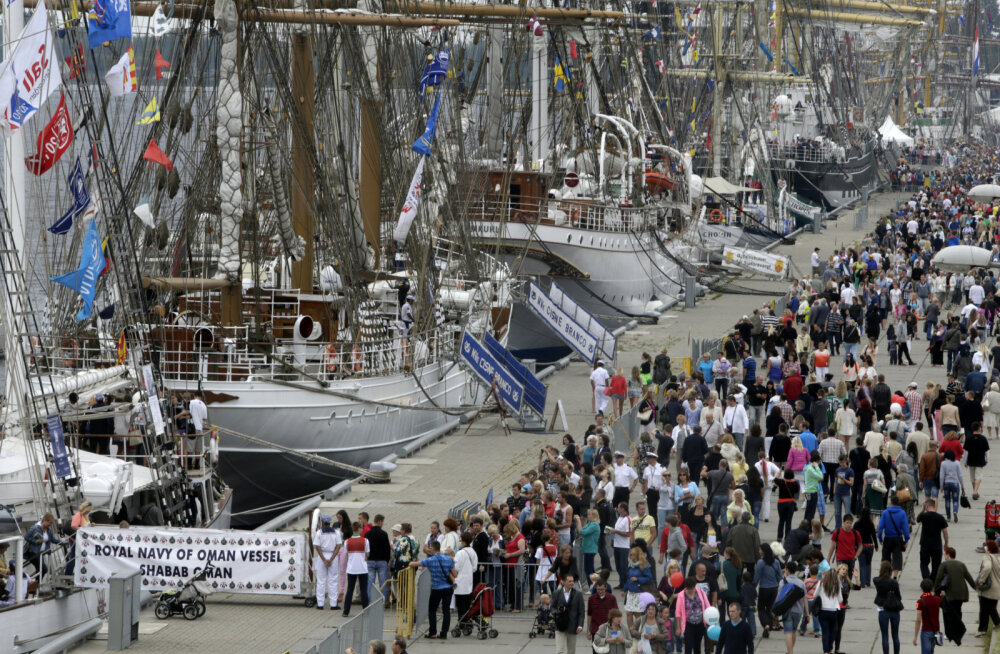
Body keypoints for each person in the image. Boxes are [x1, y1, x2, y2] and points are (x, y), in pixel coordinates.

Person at [409, 540, 455, 639]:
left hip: (436, 588)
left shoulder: (430, 560)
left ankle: (432, 632)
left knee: (432, 610)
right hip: (448, 587)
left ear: (433, 548)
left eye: (430, 547)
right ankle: (444, 634)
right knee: (446, 610)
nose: (429, 549)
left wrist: (410, 563)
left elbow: (415, 564)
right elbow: (455, 574)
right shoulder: (448, 559)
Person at [933, 546, 976, 645]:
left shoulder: (944, 565)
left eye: (945, 554)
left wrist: (936, 591)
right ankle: (957, 631)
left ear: (948, 555)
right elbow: (968, 577)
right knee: (957, 611)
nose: (944, 555)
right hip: (961, 593)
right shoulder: (961, 564)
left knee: (947, 613)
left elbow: (938, 578)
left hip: (949, 594)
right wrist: (975, 587)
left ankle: (950, 633)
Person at [874, 560, 904, 654]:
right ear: (890, 570)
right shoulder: (894, 582)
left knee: (885, 635)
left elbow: (876, 578)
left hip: (883, 609)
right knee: (895, 635)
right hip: (894, 610)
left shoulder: (877, 581)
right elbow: (899, 596)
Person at [313, 514, 343, 610]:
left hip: (322, 556)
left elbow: (317, 547)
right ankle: (333, 604)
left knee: (321, 580)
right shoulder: (336, 533)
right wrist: (331, 559)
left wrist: (324, 559)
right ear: (329, 522)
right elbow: (338, 546)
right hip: (332, 555)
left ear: (322, 522)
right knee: (333, 580)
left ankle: (320, 604)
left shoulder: (319, 533)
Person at [551, 573, 585, 654]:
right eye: (569, 581)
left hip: (573, 625)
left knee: (571, 651)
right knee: (559, 651)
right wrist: (557, 611)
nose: (572, 583)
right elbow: (552, 608)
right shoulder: (556, 593)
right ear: (563, 582)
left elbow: (581, 611)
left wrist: (580, 625)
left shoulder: (578, 594)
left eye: (572, 581)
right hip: (560, 624)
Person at [675, 576, 710, 654]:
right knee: (688, 646)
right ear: (686, 587)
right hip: (688, 624)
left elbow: (707, 606)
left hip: (700, 623)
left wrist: (709, 620)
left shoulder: (701, 592)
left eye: (692, 588)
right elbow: (678, 613)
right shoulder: (681, 595)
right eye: (689, 588)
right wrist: (678, 627)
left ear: (695, 585)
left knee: (697, 646)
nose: (691, 590)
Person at [342, 521, 370, 617]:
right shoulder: (365, 541)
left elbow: (346, 554)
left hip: (351, 568)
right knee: (363, 590)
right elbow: (367, 554)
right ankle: (366, 610)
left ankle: (346, 611)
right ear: (359, 529)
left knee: (350, 589)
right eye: (361, 528)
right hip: (362, 568)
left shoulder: (347, 542)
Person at [917, 499, 949, 580]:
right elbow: (945, 532)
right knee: (936, 565)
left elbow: (917, 518)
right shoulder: (940, 517)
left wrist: (923, 510)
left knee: (923, 563)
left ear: (926, 506)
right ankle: (933, 580)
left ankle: (926, 578)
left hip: (925, 544)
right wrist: (946, 543)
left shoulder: (923, 516)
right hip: (936, 545)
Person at [23, 512, 61, 578]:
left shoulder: (48, 530)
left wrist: (62, 541)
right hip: (33, 552)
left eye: (52, 523)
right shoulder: (35, 528)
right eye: (50, 523)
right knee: (44, 569)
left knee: (40, 570)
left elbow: (52, 539)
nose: (51, 525)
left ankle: (31, 583)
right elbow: (26, 537)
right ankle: (30, 582)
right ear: (45, 521)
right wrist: (35, 541)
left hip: (41, 553)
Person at [365, 514, 392, 602]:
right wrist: (387, 560)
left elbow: (366, 547)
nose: (383, 524)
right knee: (382, 583)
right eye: (382, 522)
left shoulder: (368, 534)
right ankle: (382, 602)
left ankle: (369, 602)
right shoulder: (384, 534)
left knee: (370, 583)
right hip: (381, 561)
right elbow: (387, 549)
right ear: (380, 521)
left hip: (370, 561)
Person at [453, 531, 478, 623]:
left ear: (463, 541)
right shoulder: (473, 552)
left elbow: (455, 567)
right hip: (469, 580)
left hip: (460, 581)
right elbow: (475, 568)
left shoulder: (460, 553)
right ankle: (468, 621)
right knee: (467, 604)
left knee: (460, 605)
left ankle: (462, 622)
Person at [816, 569, 843, 654]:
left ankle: (825, 651)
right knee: (833, 631)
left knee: (825, 632)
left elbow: (815, 595)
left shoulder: (821, 583)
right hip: (833, 610)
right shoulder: (837, 585)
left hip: (823, 610)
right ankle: (830, 648)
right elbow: (840, 599)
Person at [977, 540, 1000, 636]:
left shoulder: (988, 557)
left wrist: (981, 580)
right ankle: (997, 623)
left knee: (984, 609)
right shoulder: (998, 558)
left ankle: (982, 629)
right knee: (991, 607)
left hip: (988, 588)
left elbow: (987, 567)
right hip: (997, 588)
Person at [914, 578, 943, 654]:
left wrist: (915, 636)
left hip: (926, 630)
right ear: (932, 588)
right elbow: (946, 605)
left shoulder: (919, 602)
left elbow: (918, 620)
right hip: (936, 631)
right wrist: (943, 596)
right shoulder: (938, 599)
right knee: (931, 651)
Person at [939, 449, 964, 522]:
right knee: (955, 500)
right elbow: (960, 475)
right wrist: (962, 485)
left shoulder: (943, 463)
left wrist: (941, 486)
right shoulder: (957, 463)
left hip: (947, 483)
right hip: (955, 483)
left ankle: (948, 517)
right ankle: (955, 511)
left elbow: (941, 476)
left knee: (947, 500)